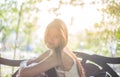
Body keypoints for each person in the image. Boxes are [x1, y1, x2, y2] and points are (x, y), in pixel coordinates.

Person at [16, 18, 86, 77]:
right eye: (48, 35)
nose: (50, 39)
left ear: (63, 38)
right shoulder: (57, 51)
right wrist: (29, 65)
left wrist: (23, 63)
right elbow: (34, 61)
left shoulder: (58, 56)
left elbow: (24, 73)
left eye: (56, 36)